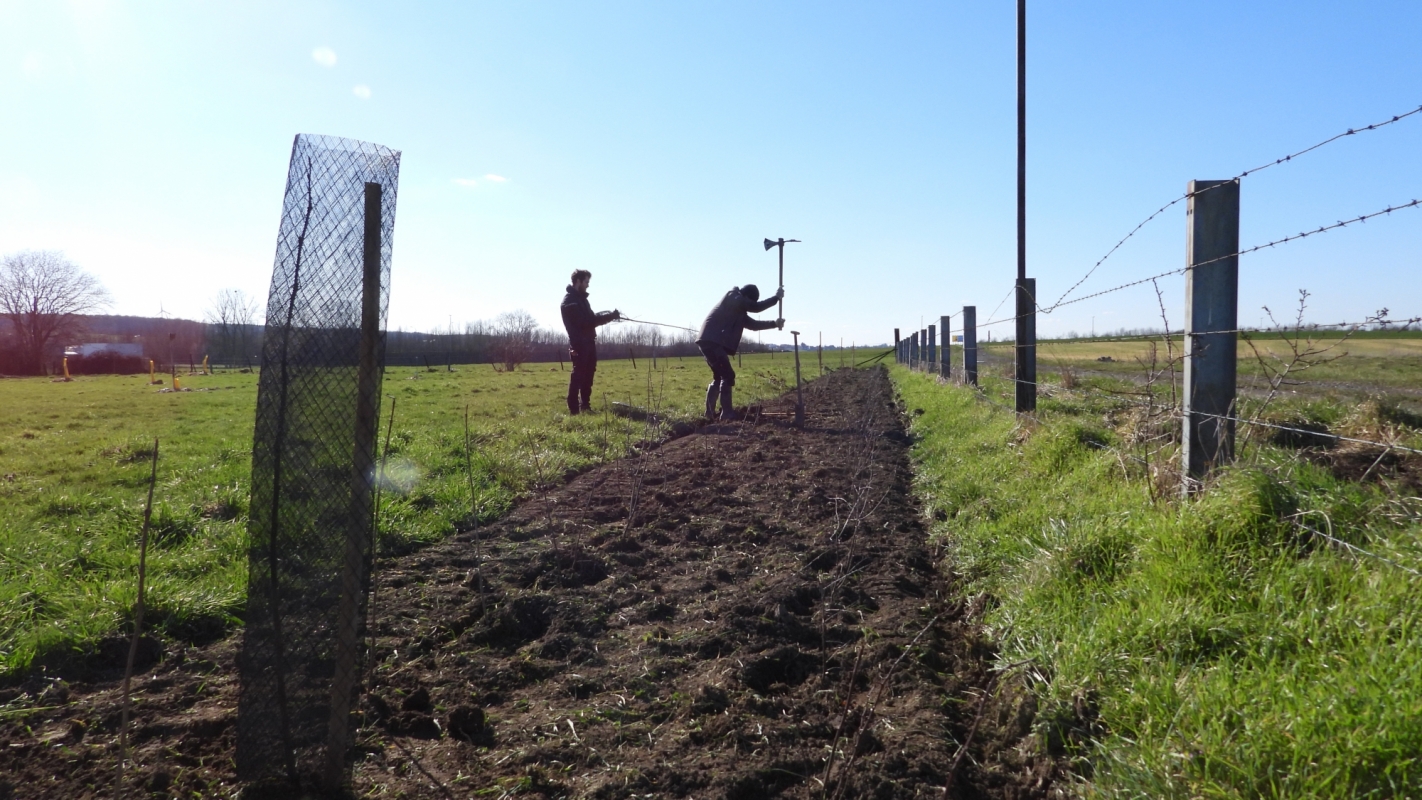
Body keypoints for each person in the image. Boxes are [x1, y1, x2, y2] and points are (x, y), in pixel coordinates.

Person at [696, 284, 784, 420]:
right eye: (750, 301)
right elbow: (755, 307)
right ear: (747, 296)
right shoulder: (732, 297)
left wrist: (774, 323)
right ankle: (726, 414)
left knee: (719, 376)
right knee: (728, 375)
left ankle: (709, 414)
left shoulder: (738, 310)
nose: (749, 305)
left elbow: (753, 325)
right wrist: (776, 298)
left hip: (708, 341)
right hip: (712, 342)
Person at [560, 269, 620, 415]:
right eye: (586, 282)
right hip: (579, 344)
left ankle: (585, 406)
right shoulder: (570, 302)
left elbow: (592, 317)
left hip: (589, 342)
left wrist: (610, 315)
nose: (588, 285)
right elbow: (586, 322)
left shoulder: (582, 300)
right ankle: (574, 410)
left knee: (588, 375)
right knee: (578, 375)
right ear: (578, 281)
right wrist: (609, 317)